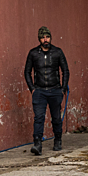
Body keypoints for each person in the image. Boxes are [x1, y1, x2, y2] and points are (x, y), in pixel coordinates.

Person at [24, 26, 69, 155]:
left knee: (56, 117)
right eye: (43, 37)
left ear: (50, 37)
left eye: (47, 37)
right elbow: (27, 72)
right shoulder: (33, 53)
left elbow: (65, 70)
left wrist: (63, 88)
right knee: (39, 118)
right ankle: (37, 144)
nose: (45, 39)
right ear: (39, 39)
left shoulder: (57, 52)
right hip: (39, 91)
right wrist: (32, 88)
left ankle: (58, 139)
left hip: (55, 90)